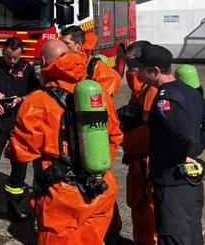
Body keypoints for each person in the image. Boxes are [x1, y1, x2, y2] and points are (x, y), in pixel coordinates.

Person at [7, 40, 122, 245]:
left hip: (62, 195)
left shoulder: (37, 101)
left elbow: (22, 152)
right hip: (100, 187)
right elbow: (114, 136)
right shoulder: (98, 92)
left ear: (43, 62)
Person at [135, 44, 205, 245]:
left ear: (155, 71)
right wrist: (195, 149)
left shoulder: (165, 99)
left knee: (174, 237)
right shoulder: (189, 91)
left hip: (172, 182)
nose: (137, 72)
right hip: (189, 183)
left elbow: (183, 135)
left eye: (141, 68)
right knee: (191, 234)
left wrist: (185, 152)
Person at [0, 37, 40, 220]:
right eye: (8, 57)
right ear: (3, 52)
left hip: (20, 123)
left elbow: (36, 93)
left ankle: (14, 206)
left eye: (15, 58)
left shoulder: (27, 69)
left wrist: (20, 99)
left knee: (19, 165)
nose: (12, 61)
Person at [118, 40, 157, 245]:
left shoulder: (151, 91)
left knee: (148, 209)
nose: (129, 70)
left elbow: (153, 128)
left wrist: (129, 127)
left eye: (133, 65)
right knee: (138, 207)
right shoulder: (139, 92)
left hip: (147, 162)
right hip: (136, 160)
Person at [59, 26, 121, 97]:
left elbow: (114, 78)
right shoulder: (58, 62)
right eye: (61, 43)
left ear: (78, 45)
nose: (62, 46)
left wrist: (93, 100)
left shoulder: (92, 65)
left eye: (66, 43)